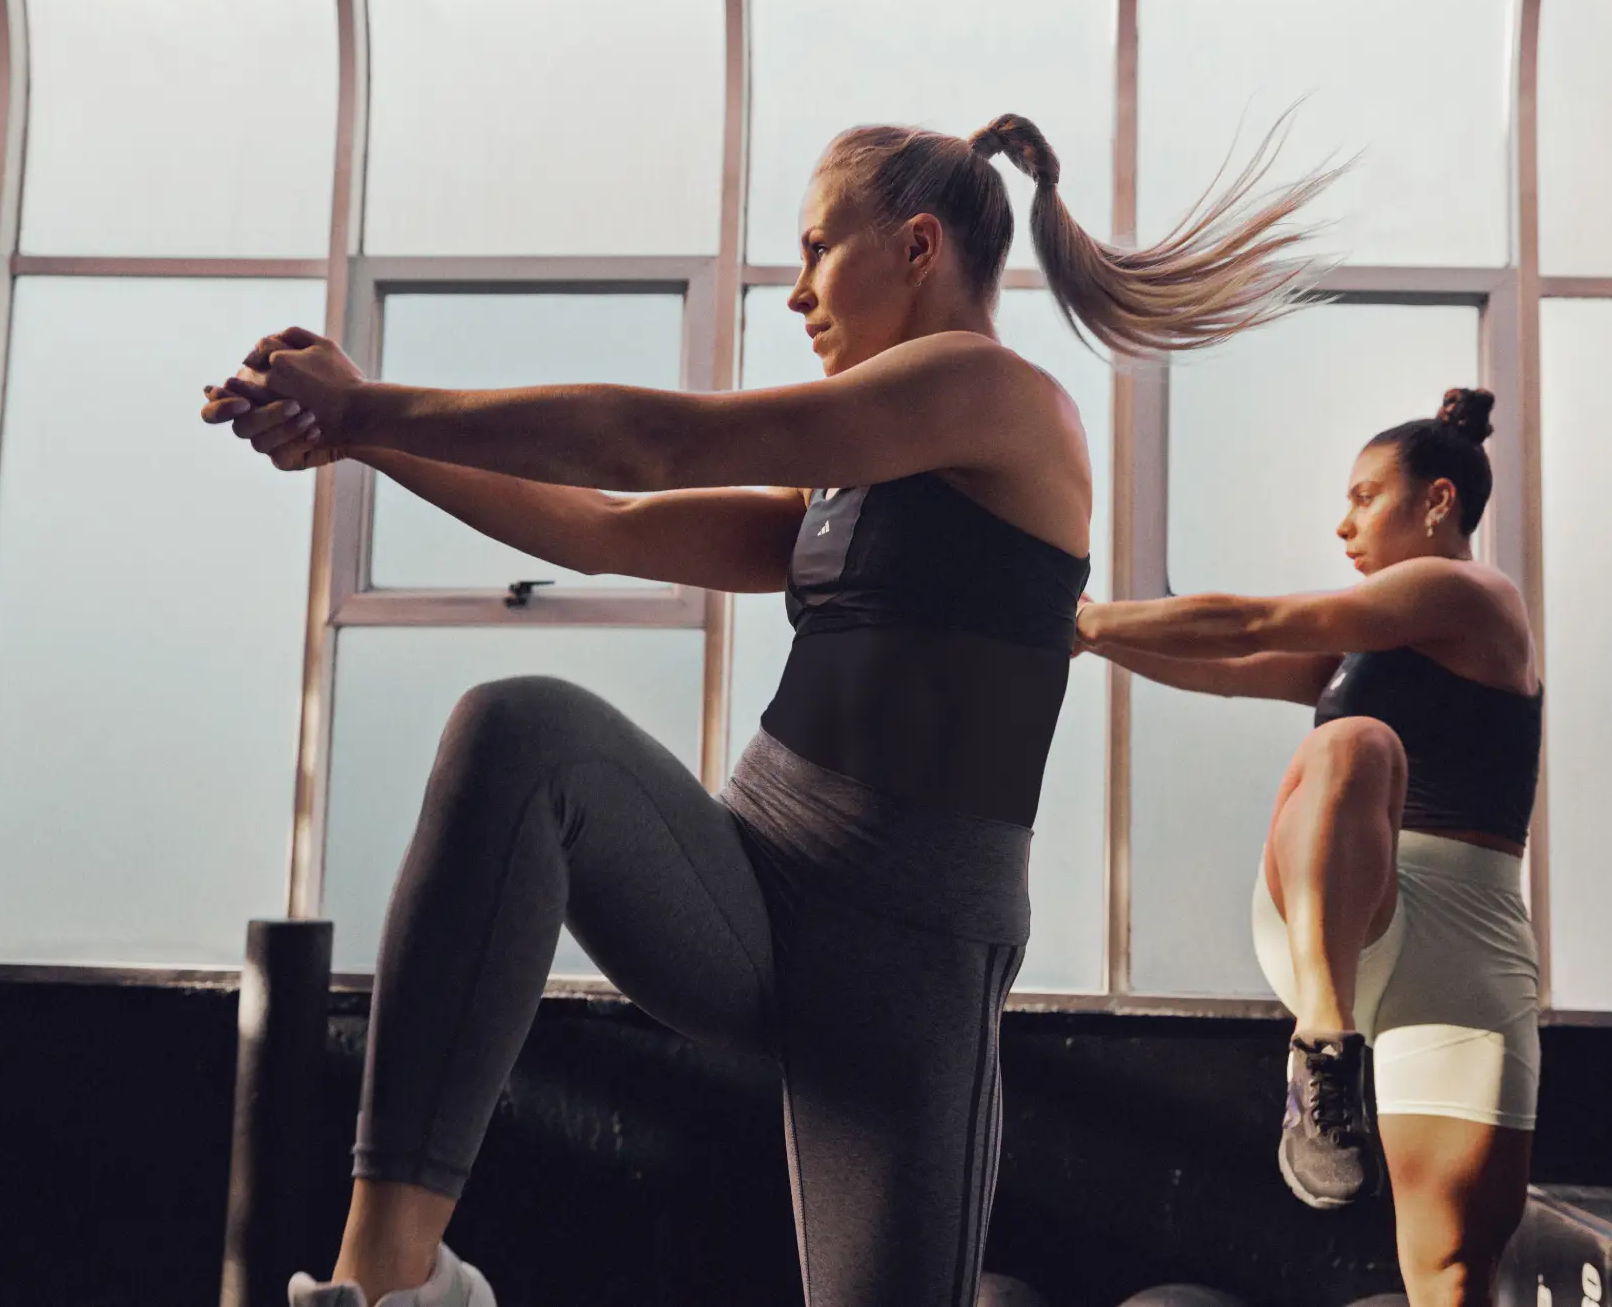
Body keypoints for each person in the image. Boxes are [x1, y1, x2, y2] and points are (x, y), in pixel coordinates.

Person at [201, 114, 1331, 1307]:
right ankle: (391, 1279)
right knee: (518, 733)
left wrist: (368, 404)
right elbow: (603, 528)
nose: (796, 295)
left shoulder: (995, 396)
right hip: (750, 885)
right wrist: (356, 440)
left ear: (915, 244)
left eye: (814, 250)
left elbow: (653, 443)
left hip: (908, 959)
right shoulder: (848, 466)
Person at [1074, 388, 1541, 1307]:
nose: (1343, 524)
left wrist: (1085, 620)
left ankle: (1339, 1048)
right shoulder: (1361, 657)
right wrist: (1085, 633)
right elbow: (1228, 667)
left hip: (1470, 952)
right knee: (1354, 742)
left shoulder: (1475, 594)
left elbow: (1253, 625)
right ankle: (1324, 1041)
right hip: (1346, 917)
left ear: (1438, 503)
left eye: (1365, 496)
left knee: (1450, 1274)